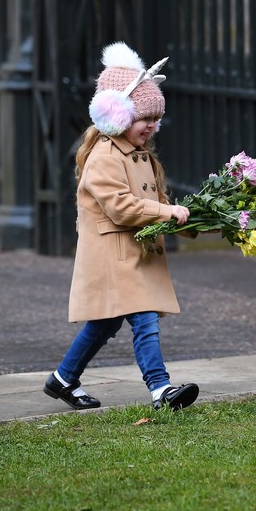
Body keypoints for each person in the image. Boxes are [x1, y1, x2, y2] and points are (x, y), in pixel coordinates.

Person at [43, 41, 199, 412]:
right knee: (144, 318)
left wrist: (192, 220)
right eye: (143, 117)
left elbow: (156, 203)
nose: (152, 125)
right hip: (113, 256)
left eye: (155, 118)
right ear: (115, 115)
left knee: (104, 325)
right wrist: (166, 213)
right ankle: (161, 390)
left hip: (131, 252)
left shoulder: (140, 156)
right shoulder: (103, 157)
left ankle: (62, 379)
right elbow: (122, 208)